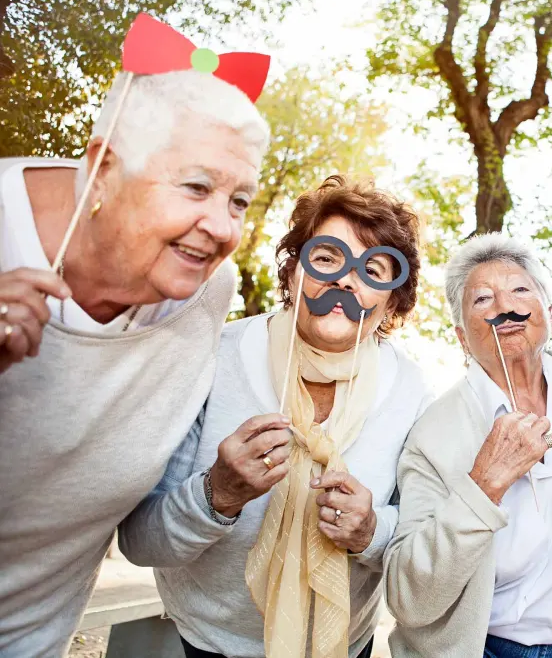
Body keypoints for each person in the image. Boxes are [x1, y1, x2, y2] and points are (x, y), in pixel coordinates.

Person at [0, 69, 269, 655]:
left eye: (239, 200)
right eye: (196, 188)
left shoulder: (206, 290)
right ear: (102, 170)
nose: (223, 227)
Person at [118, 175, 432, 658]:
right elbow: (139, 541)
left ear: (392, 299)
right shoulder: (212, 359)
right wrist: (216, 494)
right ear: (291, 274)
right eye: (327, 257)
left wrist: (370, 531)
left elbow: (420, 539)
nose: (346, 280)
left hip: (343, 644)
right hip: (212, 641)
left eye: (375, 268)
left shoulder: (410, 391)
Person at [384, 234, 552, 658]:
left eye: (520, 289)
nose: (505, 306)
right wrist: (485, 484)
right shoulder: (432, 435)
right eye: (482, 299)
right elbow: (409, 596)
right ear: (462, 338)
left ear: (548, 314)